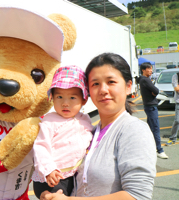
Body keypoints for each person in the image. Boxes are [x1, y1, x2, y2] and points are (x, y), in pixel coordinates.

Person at [40, 53, 157, 200]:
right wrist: (49, 194)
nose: (103, 90)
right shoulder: (89, 132)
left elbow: (137, 195)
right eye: (95, 84)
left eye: (111, 82)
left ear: (128, 87)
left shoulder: (134, 130)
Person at [32, 65, 93, 199]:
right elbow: (41, 146)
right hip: (51, 178)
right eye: (59, 97)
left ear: (84, 100)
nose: (65, 103)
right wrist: (49, 170)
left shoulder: (85, 120)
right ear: (52, 97)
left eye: (72, 98)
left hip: (73, 175)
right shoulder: (50, 121)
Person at [139, 62, 168, 159]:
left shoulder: (145, 79)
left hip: (150, 106)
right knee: (155, 129)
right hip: (151, 107)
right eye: (149, 69)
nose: (151, 70)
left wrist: (154, 92)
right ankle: (160, 150)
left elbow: (154, 91)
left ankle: (150, 148)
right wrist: (154, 92)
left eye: (151, 69)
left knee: (150, 129)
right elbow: (156, 91)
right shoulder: (145, 80)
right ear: (143, 70)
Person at [166, 72, 179, 146]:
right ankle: (172, 138)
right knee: (177, 120)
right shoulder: (175, 76)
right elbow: (176, 88)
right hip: (178, 102)